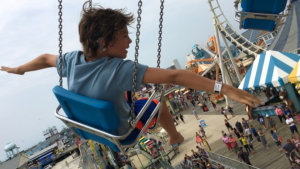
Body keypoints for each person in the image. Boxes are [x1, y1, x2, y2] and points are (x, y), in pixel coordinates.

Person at [0, 4, 262, 147]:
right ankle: (174, 136)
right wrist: (225, 88)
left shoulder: (71, 60)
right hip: (121, 130)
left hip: (90, 125)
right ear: (104, 43)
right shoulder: (120, 70)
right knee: (158, 106)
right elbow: (176, 76)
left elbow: (46, 58)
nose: (129, 40)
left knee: (132, 97)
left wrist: (20, 68)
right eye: (124, 35)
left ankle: (171, 134)